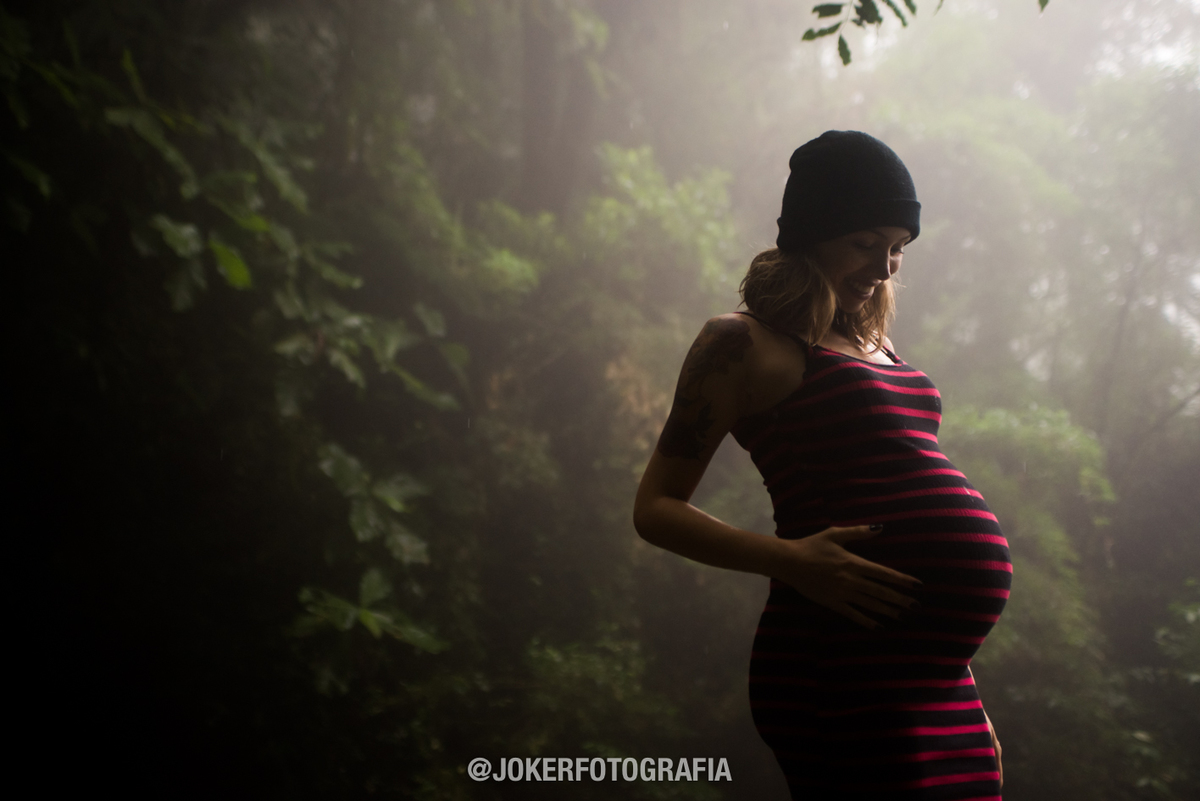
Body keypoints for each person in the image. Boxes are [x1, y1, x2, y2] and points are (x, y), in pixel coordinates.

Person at [633, 131, 1010, 800]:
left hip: (934, 679)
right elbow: (656, 507)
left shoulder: (875, 342)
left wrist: (967, 699)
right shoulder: (741, 343)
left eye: (898, 247)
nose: (886, 266)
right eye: (866, 243)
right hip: (841, 663)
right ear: (811, 231)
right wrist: (792, 558)